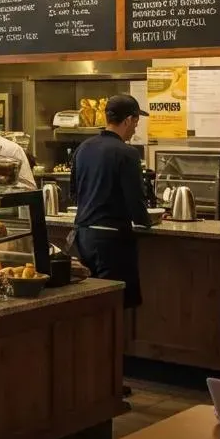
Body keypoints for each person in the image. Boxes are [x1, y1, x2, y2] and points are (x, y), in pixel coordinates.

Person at [69, 93, 152, 310]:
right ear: (128, 120)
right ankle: (116, 344)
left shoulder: (83, 148)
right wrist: (147, 221)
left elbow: (74, 192)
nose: (135, 128)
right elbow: (135, 200)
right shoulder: (128, 153)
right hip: (112, 240)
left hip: (84, 236)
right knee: (114, 303)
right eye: (136, 122)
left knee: (91, 301)